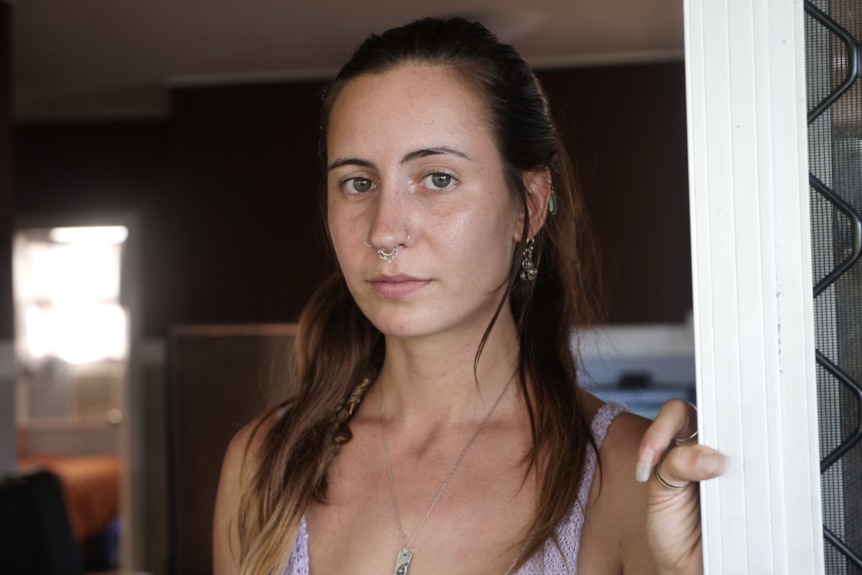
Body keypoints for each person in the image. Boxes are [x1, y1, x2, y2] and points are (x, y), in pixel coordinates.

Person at [213, 16, 727, 575]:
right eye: (358, 183)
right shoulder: (264, 464)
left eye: (437, 179)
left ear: (528, 205)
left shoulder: (627, 474)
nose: (385, 231)